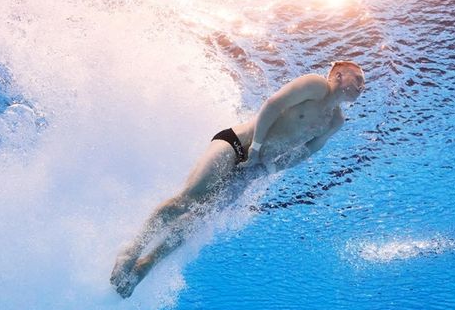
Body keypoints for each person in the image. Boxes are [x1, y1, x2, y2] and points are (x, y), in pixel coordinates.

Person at [109, 61, 366, 298]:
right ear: (339, 74)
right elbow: (274, 104)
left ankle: (144, 267)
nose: (362, 86)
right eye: (359, 78)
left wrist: (271, 168)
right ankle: (132, 251)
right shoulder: (315, 85)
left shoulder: (335, 121)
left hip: (253, 171)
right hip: (237, 145)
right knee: (190, 199)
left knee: (196, 221)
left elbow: (307, 151)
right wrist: (256, 146)